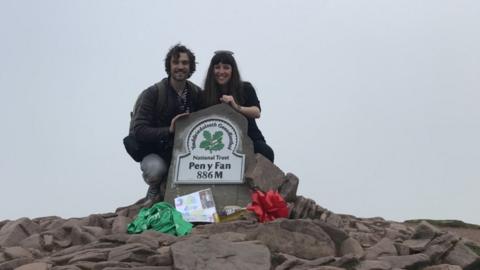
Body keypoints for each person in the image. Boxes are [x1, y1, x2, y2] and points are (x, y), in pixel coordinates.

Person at [129, 44, 202, 200]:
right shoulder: (153, 93)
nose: (180, 67)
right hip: (156, 152)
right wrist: (169, 129)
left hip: (186, 153)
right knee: (156, 170)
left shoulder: (196, 93)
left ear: (191, 67)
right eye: (176, 63)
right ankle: (155, 189)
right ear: (169, 66)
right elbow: (139, 130)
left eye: (184, 63)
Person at [202, 50, 274, 162]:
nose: (221, 71)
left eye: (226, 67)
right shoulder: (204, 95)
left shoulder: (246, 88)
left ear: (232, 70)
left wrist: (236, 107)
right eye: (217, 67)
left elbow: (256, 112)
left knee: (265, 152)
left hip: (249, 139)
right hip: (217, 143)